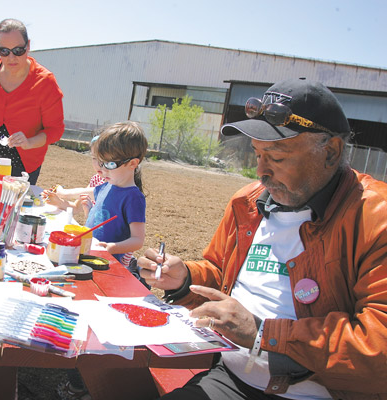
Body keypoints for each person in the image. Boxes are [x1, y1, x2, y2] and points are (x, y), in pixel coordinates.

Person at [138, 78, 387, 399]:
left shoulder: (374, 217)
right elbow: (220, 274)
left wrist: (263, 334)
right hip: (229, 379)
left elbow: (378, 345)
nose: (262, 172)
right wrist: (186, 278)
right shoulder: (247, 203)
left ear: (331, 152)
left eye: (277, 157)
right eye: (257, 154)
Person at [0, 18, 64, 186]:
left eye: (18, 50)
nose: (11, 57)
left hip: (23, 165)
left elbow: (55, 130)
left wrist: (29, 142)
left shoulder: (45, 82)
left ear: (28, 46)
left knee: (10, 211)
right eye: (3, 51)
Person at [83, 121, 147, 272]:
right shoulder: (106, 186)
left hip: (107, 265)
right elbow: (102, 219)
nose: (103, 170)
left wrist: (112, 247)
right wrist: (88, 211)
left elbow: (137, 240)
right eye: (102, 163)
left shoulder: (133, 197)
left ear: (132, 163)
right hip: (88, 253)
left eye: (110, 164)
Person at [42, 135, 105, 213]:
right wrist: (58, 202)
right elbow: (76, 207)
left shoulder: (116, 185)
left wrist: (63, 193)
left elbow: (100, 191)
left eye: (104, 159)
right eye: (94, 158)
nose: (98, 164)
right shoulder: (96, 179)